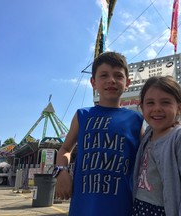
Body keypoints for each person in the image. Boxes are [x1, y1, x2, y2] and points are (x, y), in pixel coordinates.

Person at [54, 51, 144, 216]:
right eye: (104, 75)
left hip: (123, 207)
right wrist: (62, 171)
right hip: (83, 208)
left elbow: (148, 158)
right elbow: (65, 149)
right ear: (93, 82)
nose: (111, 80)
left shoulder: (136, 119)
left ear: (127, 83)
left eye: (118, 75)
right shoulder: (82, 115)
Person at [132, 76, 181, 216]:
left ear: (179, 108)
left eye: (165, 102)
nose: (157, 108)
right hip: (139, 208)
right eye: (150, 103)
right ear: (142, 107)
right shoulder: (148, 135)